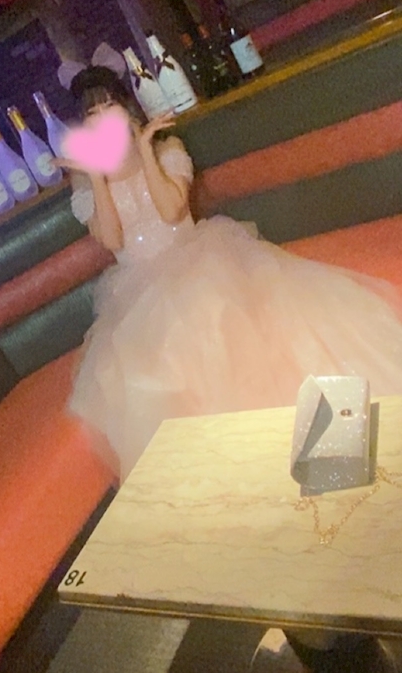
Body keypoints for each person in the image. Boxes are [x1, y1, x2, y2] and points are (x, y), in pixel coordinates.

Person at [56, 65, 402, 477]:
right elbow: (112, 239)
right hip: (137, 285)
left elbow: (172, 211)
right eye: (92, 113)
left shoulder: (167, 149)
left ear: (127, 108)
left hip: (197, 256)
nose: (103, 117)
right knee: (153, 358)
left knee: (214, 313)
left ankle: (313, 441)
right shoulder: (85, 183)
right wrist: (96, 175)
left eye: (110, 104)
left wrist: (145, 151)